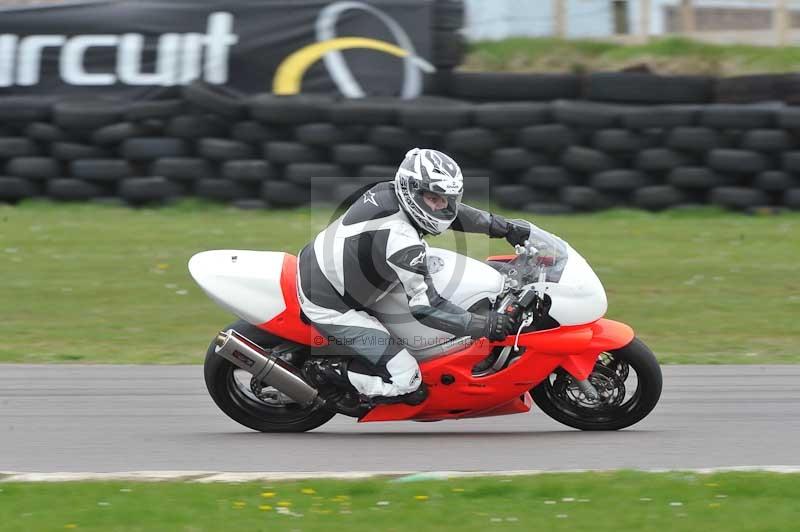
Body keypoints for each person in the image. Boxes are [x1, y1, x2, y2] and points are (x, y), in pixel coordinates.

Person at [296, 148, 531, 405]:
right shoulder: (401, 239)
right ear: (412, 190)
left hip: (339, 269)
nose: (442, 206)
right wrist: (483, 325)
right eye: (434, 198)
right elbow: (426, 307)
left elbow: (452, 213)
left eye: (446, 199)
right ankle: (325, 372)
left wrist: (503, 227)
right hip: (330, 302)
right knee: (408, 382)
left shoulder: (389, 191)